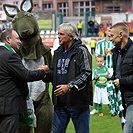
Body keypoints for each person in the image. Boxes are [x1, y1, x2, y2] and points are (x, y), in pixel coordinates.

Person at [42, 22, 93, 133]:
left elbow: (87, 73)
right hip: (60, 105)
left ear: (70, 36)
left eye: (61, 34)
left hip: (78, 104)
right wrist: (44, 73)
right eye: (58, 34)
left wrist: (69, 86)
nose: (58, 37)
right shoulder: (57, 52)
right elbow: (53, 74)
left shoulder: (81, 51)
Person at [0, 29, 49, 133]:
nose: (20, 42)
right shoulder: (10, 55)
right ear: (8, 40)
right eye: (17, 39)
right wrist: (42, 71)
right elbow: (26, 75)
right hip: (9, 107)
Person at [109, 22, 133, 132]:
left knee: (127, 130)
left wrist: (121, 81)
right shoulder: (116, 53)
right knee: (125, 128)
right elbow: (118, 74)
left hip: (132, 99)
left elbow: (122, 78)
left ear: (121, 34)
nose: (110, 39)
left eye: (112, 36)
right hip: (121, 100)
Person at [90, 26, 114, 115]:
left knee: (112, 88)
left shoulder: (114, 43)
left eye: (111, 30)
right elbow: (97, 56)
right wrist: (104, 54)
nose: (110, 32)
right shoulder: (100, 43)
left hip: (113, 68)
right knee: (98, 88)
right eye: (108, 30)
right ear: (105, 32)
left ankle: (114, 107)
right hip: (102, 69)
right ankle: (96, 108)